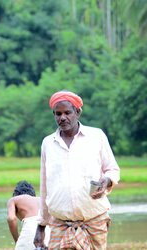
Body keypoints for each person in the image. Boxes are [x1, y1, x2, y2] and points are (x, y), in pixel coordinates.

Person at [34, 90, 120, 249]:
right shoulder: (48, 143)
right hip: (60, 224)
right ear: (54, 115)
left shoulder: (96, 136)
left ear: (77, 112)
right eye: (58, 114)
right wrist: (41, 226)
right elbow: (45, 187)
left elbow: (113, 169)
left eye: (67, 112)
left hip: (93, 221)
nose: (62, 117)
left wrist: (106, 180)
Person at [7, 180, 49, 250]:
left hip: (30, 230)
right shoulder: (41, 199)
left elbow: (11, 219)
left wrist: (17, 239)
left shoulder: (14, 200)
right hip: (47, 230)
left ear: (16, 193)